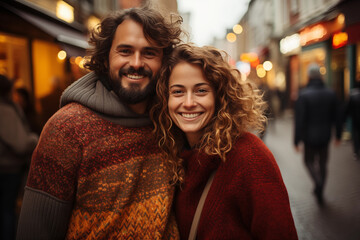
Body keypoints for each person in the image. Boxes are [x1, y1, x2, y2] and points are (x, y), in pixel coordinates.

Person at [17, 6, 183, 239]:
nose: (136, 63)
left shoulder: (171, 123)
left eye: (149, 53)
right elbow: (36, 231)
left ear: (163, 62)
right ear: (105, 58)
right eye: (125, 51)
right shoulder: (66, 129)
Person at [151, 44, 298, 239]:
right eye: (177, 92)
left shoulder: (249, 156)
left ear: (220, 96)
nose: (188, 102)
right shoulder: (171, 155)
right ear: (165, 99)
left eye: (201, 91)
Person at [294, 63, 341, 205]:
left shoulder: (303, 95)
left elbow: (299, 120)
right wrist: (338, 136)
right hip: (325, 136)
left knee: (308, 161)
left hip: (309, 137)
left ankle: (318, 185)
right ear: (321, 76)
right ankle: (320, 187)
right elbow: (337, 117)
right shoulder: (331, 93)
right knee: (322, 164)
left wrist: (296, 140)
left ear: (309, 76)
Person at [0, 75, 38, 240]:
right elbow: (20, 143)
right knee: (7, 211)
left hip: (6, 167)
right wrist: (34, 139)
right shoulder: (5, 110)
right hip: (8, 168)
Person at [343, 80, 360, 161]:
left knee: (356, 135)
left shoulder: (353, 95)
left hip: (356, 119)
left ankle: (356, 152)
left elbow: (347, 108)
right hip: (356, 118)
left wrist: (345, 119)